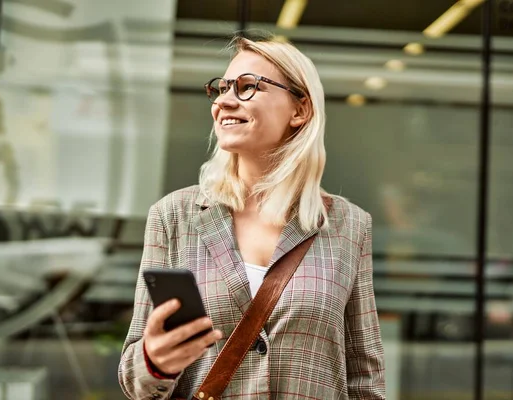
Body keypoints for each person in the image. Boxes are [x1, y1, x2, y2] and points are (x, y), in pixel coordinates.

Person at [118, 33, 386, 399]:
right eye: (222, 88)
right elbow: (136, 379)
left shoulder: (349, 225)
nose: (225, 101)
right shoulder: (174, 216)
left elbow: (364, 376)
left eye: (247, 87)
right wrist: (154, 361)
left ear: (300, 110)